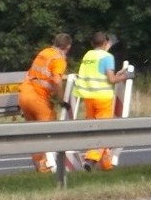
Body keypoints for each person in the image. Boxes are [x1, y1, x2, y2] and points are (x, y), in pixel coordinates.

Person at [74, 31, 131, 171]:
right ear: (106, 43)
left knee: (94, 130)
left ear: (92, 43)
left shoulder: (87, 55)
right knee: (103, 132)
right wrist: (126, 76)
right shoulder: (107, 57)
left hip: (88, 97)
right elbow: (111, 79)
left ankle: (106, 166)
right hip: (103, 98)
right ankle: (91, 159)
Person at [18, 33, 72, 172]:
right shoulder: (59, 59)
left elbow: (42, 74)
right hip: (37, 98)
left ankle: (38, 164)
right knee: (49, 129)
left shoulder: (44, 52)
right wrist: (62, 100)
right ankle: (45, 167)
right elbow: (56, 81)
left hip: (24, 93)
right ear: (68, 47)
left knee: (34, 133)